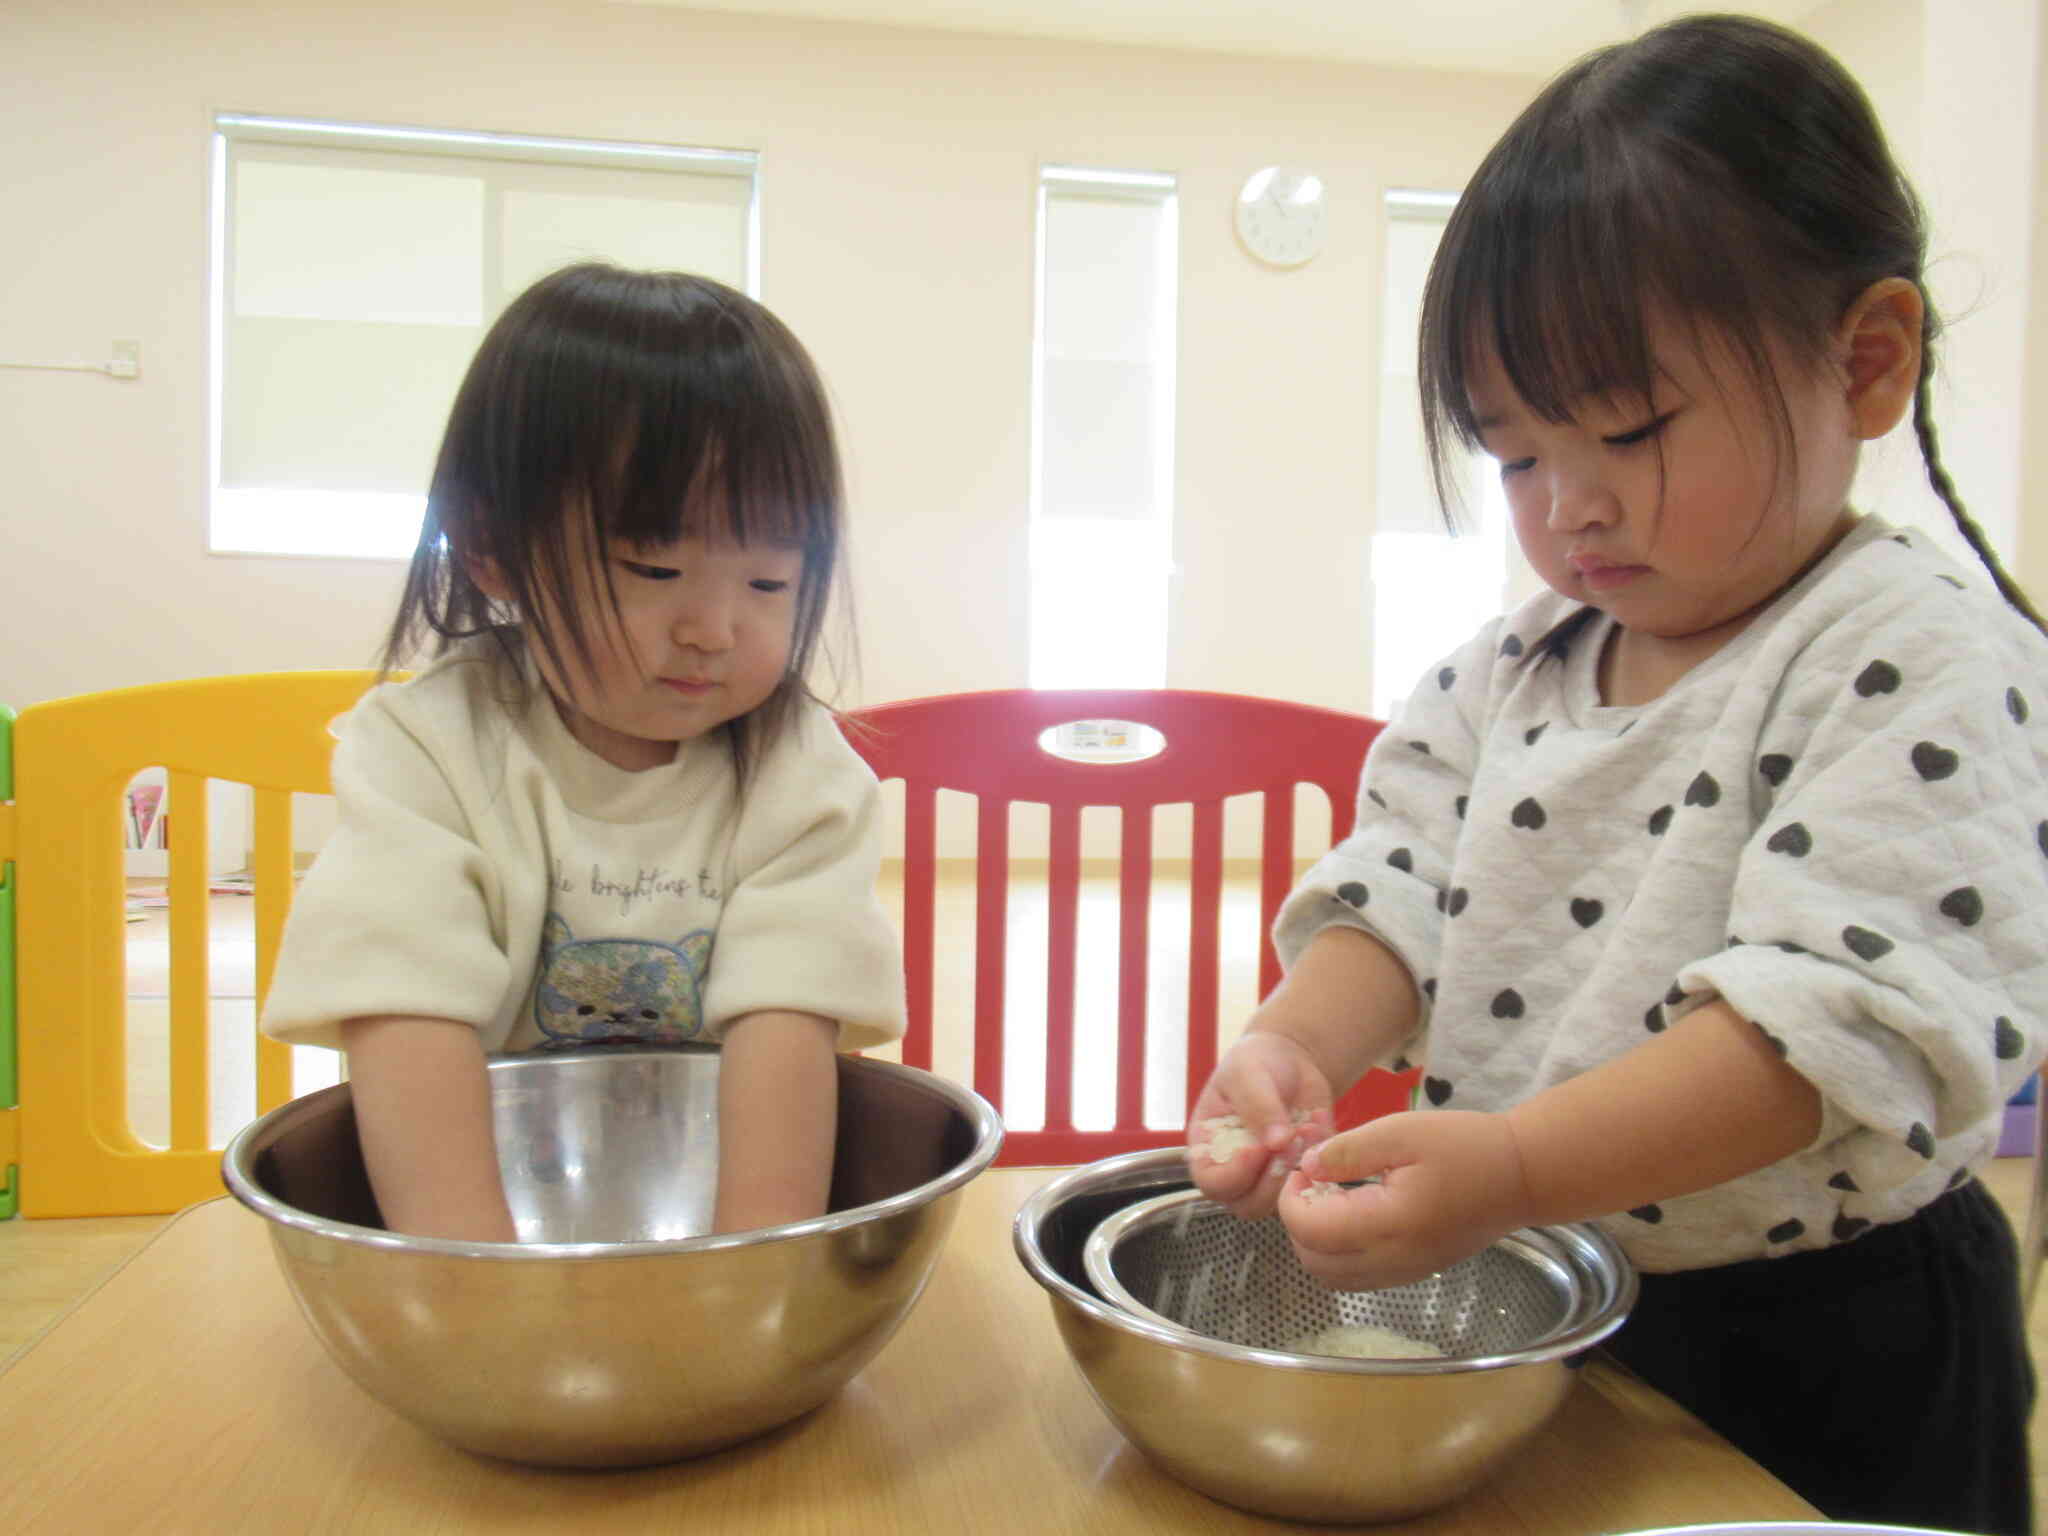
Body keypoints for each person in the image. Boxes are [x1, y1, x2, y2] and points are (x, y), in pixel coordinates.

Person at [1187, 15, 2046, 1534]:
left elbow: (1819, 1031)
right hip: (1547, 1281)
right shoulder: (1517, 660)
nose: (1569, 507)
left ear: (1864, 362)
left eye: (1632, 429)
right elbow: (1394, 891)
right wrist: (1295, 1045)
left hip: (1832, 1333)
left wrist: (1516, 1163)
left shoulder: (1911, 652)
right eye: (1517, 455)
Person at [261, 263, 905, 1244]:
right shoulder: (426, 752)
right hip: (494, 1197)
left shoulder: (797, 772)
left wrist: (742, 1281)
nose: (714, 628)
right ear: (494, 549)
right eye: (655, 567)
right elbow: (404, 1023)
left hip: (696, 1191)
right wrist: (479, 1282)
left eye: (772, 580)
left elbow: (787, 1026)